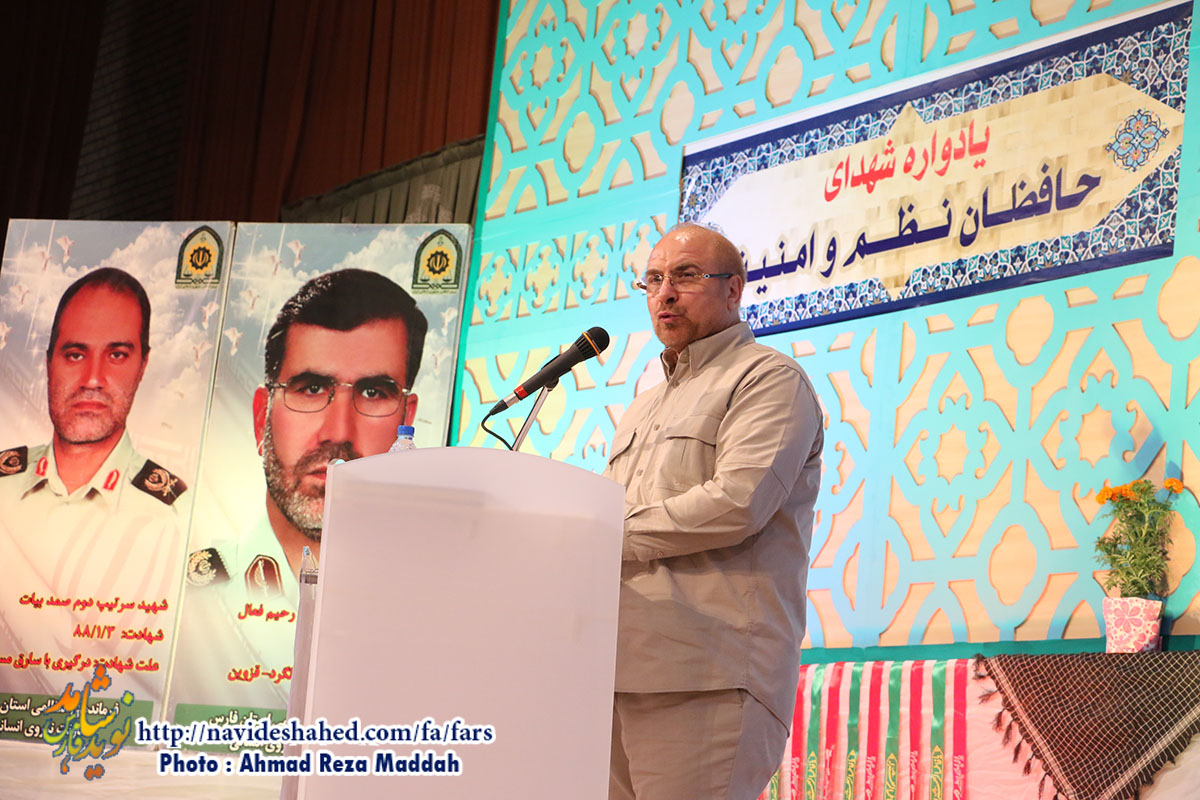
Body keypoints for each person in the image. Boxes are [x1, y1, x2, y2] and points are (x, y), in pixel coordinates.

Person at [603, 224, 824, 800]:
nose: (665, 293)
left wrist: (603, 534)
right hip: (616, 670)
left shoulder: (768, 379)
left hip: (708, 673)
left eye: (686, 275)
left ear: (734, 289)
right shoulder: (643, 406)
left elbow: (738, 502)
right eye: (654, 280)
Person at [177, 268, 426, 708]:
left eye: (372, 393)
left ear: (406, 421)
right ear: (262, 418)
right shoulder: (184, 596)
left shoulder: (433, 611)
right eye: (311, 388)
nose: (339, 432)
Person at [0, 268, 187, 695]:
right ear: (49, 361)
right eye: (75, 354)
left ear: (142, 366)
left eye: (117, 355)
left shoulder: (178, 519)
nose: (93, 379)